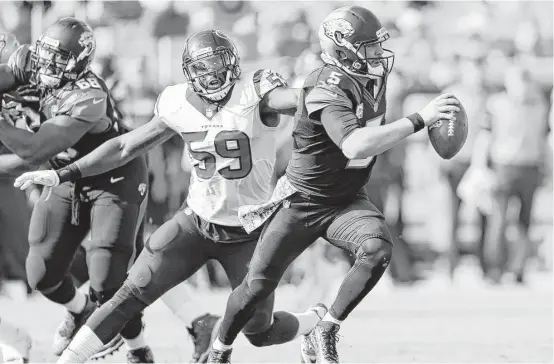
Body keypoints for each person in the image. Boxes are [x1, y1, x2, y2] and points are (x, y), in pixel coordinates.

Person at [16, 29, 325, 364]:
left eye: (217, 66)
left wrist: (328, 90)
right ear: (188, 71)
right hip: (195, 224)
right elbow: (124, 146)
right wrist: (63, 172)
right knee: (128, 294)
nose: (210, 75)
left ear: (233, 65)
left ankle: (314, 323)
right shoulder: (177, 101)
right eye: (201, 68)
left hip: (250, 232)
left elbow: (294, 100)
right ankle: (69, 360)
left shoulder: (256, 91)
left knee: (259, 332)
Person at [205, 6, 460, 363]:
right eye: (369, 47)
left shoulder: (371, 76)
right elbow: (355, 144)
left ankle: (325, 328)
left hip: (345, 199)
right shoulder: (326, 84)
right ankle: (219, 349)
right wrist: (420, 119)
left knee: (377, 249)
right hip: (302, 202)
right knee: (255, 289)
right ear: (343, 49)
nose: (378, 54)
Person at [0, 18, 148, 362]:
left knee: (107, 278)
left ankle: (139, 350)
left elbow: (34, 150)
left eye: (58, 58)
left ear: (79, 62)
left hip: (112, 177)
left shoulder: (88, 95)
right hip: (62, 178)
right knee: (40, 273)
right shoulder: (29, 62)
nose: (47, 65)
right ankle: (81, 310)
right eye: (45, 55)